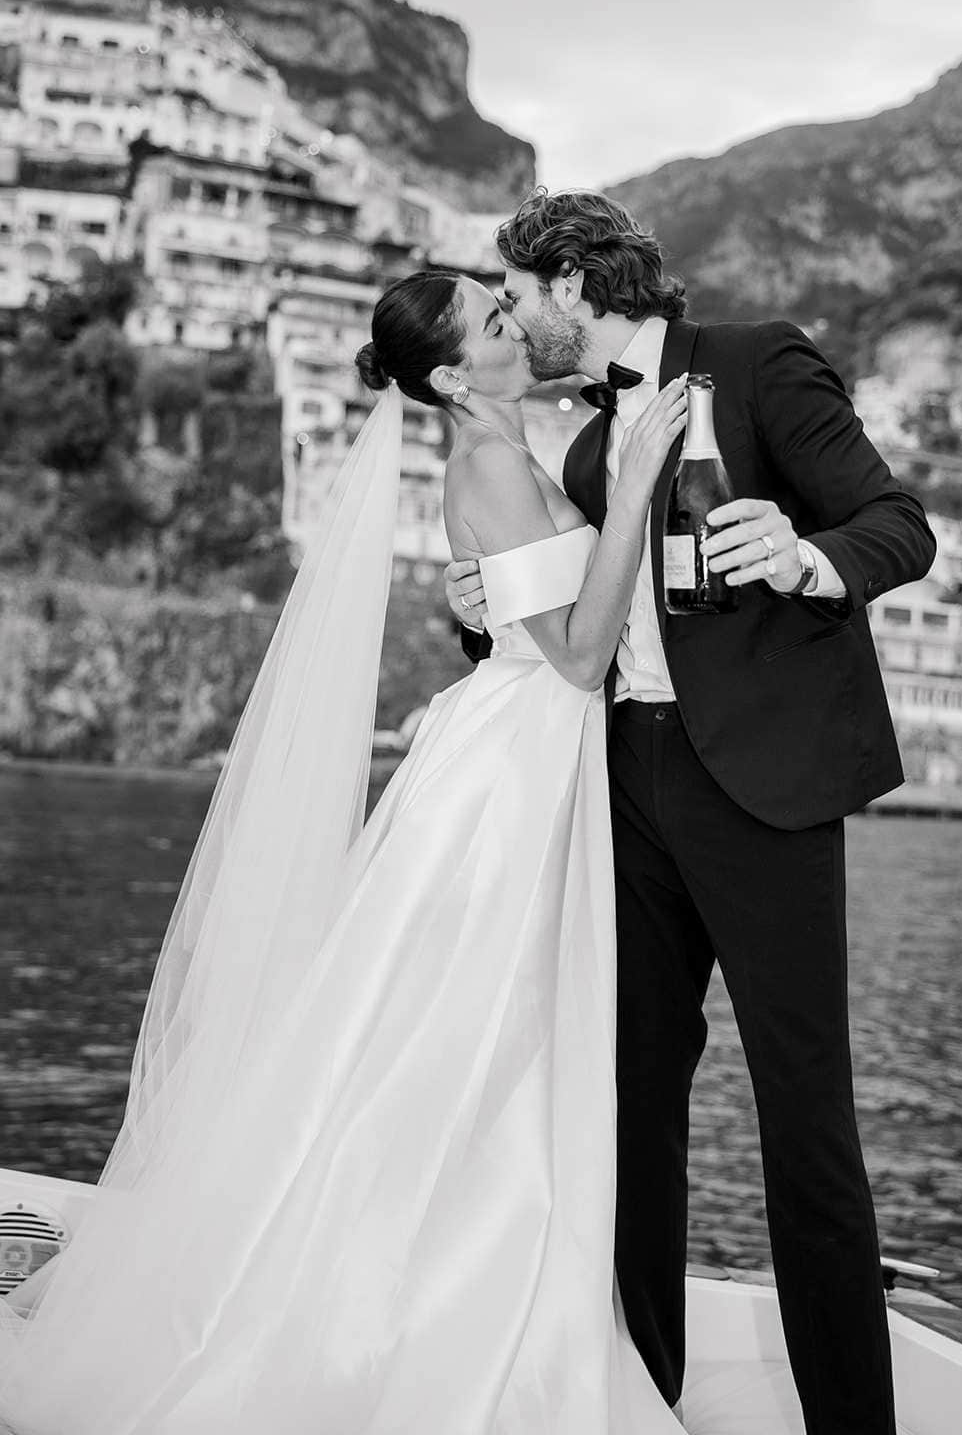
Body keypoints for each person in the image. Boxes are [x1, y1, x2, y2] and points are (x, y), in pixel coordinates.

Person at [0, 269, 690, 1435]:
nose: (513, 321)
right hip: (509, 778)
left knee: (473, 1036)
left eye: (501, 303)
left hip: (523, 755)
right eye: (489, 319)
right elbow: (574, 658)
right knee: (469, 1036)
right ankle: (425, 1305)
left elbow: (531, 625)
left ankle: (466, 1277)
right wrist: (628, 496)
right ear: (447, 375)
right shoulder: (483, 465)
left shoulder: (515, 451)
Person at [446, 189, 938, 1434]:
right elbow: (558, 612)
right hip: (626, 780)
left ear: (570, 282)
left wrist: (806, 553)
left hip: (765, 790)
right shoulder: (578, 435)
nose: (510, 316)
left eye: (515, 293)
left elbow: (898, 524)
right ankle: (640, 1394)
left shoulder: (755, 360)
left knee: (804, 1117)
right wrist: (477, 603)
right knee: (629, 1099)